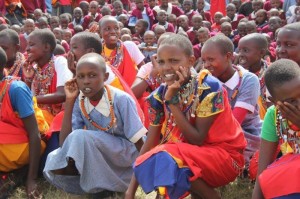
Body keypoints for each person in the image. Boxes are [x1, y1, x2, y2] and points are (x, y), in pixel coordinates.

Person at [126, 34, 246, 199]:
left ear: (190, 61)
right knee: (155, 156)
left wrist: (172, 103)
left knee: (165, 153)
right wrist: (130, 191)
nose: (166, 67)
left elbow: (197, 138)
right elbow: (149, 143)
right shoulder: (158, 96)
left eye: (174, 61)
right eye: (161, 62)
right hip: (190, 155)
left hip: (225, 158)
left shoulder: (208, 87)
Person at [43, 53, 147, 196]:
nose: (86, 81)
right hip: (101, 152)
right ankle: (100, 186)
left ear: (104, 77)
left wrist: (145, 172)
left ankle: (110, 184)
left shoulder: (121, 99)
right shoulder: (79, 101)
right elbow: (65, 143)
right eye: (81, 76)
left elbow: (139, 141)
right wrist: (69, 100)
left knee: (81, 137)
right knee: (54, 158)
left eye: (92, 76)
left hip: (125, 155)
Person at [201, 34, 262, 168]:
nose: (206, 65)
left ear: (228, 56)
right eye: (203, 60)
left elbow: (234, 124)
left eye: (211, 59)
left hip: (246, 133)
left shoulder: (248, 80)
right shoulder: (206, 79)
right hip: (215, 132)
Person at [0, 47, 45, 198]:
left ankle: (24, 172)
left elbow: (34, 134)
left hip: (25, 145)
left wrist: (31, 180)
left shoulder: (16, 89)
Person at [252, 59, 300, 199]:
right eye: (291, 101)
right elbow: (263, 172)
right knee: (273, 176)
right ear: (274, 102)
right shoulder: (274, 115)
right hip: (291, 176)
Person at [23, 29, 73, 126]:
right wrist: (28, 79)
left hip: (59, 120)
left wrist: (31, 99)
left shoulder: (59, 62)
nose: (27, 49)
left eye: (31, 45)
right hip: (40, 118)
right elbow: (29, 99)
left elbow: (62, 95)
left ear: (46, 47)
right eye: (27, 45)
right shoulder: (34, 69)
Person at [99, 16, 145, 86]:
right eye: (108, 29)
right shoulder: (97, 51)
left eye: (116, 28)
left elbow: (143, 70)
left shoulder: (129, 46)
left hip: (133, 91)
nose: (113, 32)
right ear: (100, 31)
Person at [238, 33, 269, 119]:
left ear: (261, 53)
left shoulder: (272, 74)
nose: (240, 54)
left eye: (246, 50)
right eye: (239, 50)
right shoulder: (236, 74)